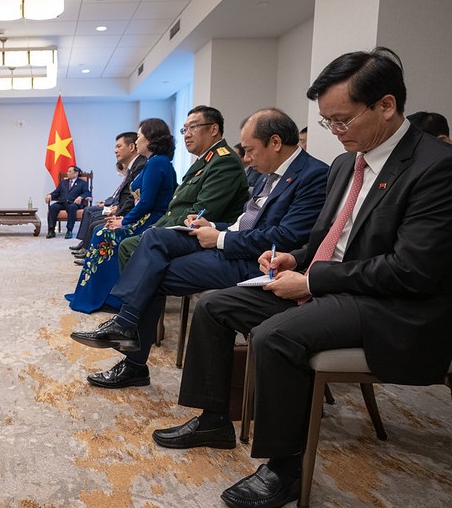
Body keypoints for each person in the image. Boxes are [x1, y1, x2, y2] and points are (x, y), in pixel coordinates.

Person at [153, 47, 452, 508]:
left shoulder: (435, 166)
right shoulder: (346, 163)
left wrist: (313, 282)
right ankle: (214, 419)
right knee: (214, 306)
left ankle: (284, 467)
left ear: (386, 105)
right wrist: (296, 258)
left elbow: (412, 270)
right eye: (328, 121)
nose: (335, 131)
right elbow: (328, 238)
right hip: (333, 285)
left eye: (342, 120)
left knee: (275, 337)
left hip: (389, 303)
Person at [70, 108, 329, 387]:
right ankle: (126, 327)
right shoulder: (269, 172)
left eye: (250, 150)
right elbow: (247, 221)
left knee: (151, 272)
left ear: (275, 142)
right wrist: (215, 226)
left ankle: (131, 353)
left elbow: (286, 237)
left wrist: (219, 238)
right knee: (154, 240)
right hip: (232, 242)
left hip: (258, 261)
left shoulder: (312, 175)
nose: (246, 158)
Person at [65, 119, 177, 313]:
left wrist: (124, 220)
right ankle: (97, 293)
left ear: (150, 138)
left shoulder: (157, 162)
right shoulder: (155, 161)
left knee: (103, 234)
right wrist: (123, 219)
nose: (137, 140)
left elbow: (146, 203)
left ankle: (109, 296)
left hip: (151, 222)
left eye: (139, 136)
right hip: (144, 218)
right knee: (102, 231)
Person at [117, 106, 249, 266]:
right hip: (177, 228)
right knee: (130, 242)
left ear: (214, 129)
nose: (187, 134)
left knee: (128, 246)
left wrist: (159, 228)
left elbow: (202, 212)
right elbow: (177, 206)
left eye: (193, 127)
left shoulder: (224, 161)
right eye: (184, 129)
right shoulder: (205, 161)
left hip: (199, 235)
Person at [71, 132, 146, 259]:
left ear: (131, 147)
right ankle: (87, 249)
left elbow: (134, 198)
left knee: (97, 225)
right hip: (122, 209)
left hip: (130, 215)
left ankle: (89, 254)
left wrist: (119, 215)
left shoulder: (141, 165)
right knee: (94, 217)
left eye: (119, 146)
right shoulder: (135, 166)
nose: (115, 151)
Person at [45, 165, 91, 239]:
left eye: (70, 171)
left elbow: (87, 193)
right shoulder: (63, 182)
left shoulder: (82, 183)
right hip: (62, 202)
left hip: (73, 203)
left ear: (76, 173)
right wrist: (50, 195)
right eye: (68, 171)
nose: (67, 173)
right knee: (53, 207)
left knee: (72, 207)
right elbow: (56, 192)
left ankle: (69, 230)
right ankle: (51, 230)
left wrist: (81, 197)